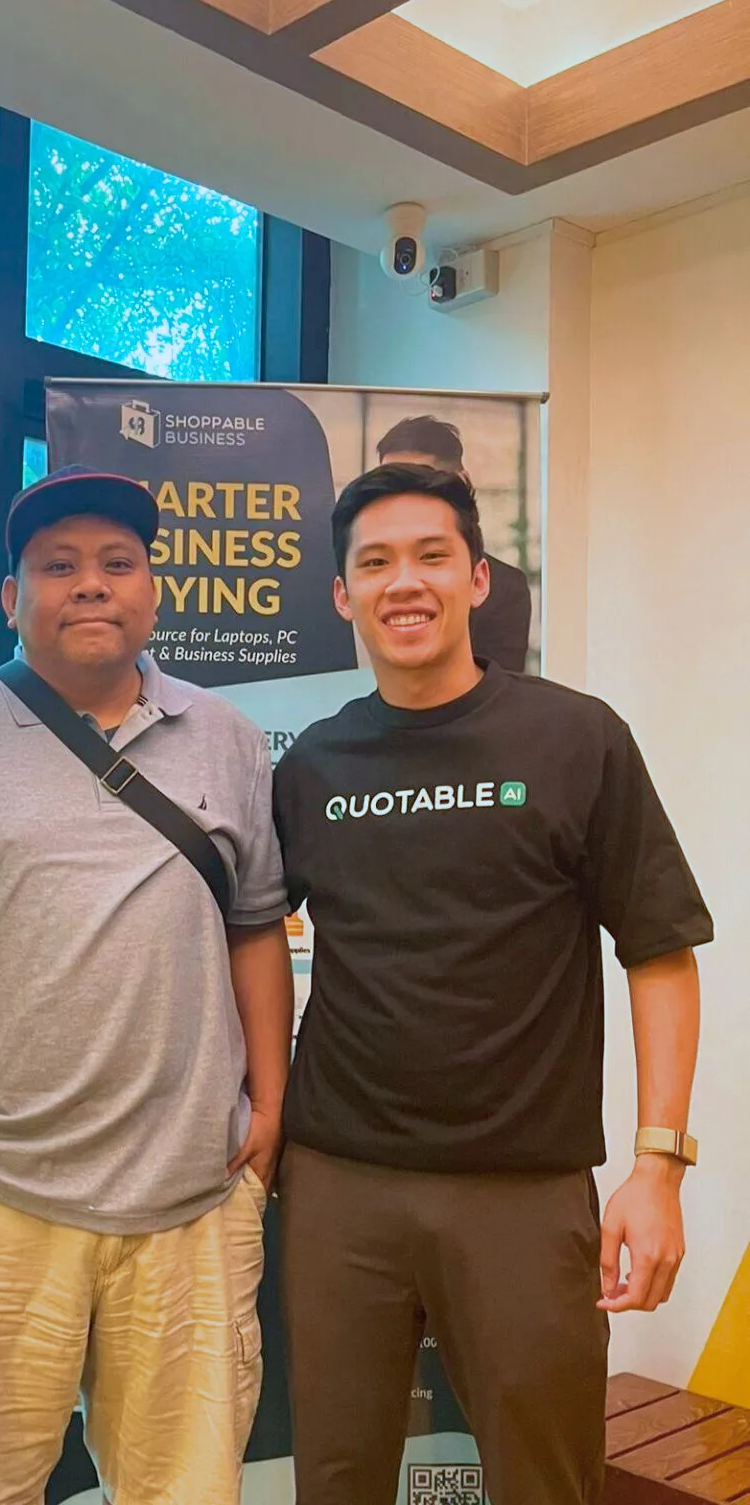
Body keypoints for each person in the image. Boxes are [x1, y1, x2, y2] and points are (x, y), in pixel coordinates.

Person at [0, 466, 294, 1505]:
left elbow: (256, 926)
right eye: (58, 566)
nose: (91, 585)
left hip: (190, 1194)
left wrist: (271, 1105)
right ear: (12, 598)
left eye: (117, 563)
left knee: (185, 1491)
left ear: (154, 589)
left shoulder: (225, 739)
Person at [272, 463, 712, 1505]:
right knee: (335, 1478)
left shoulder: (574, 738)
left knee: (544, 1479)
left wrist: (659, 1171)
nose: (403, 583)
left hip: (523, 1191)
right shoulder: (311, 768)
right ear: (343, 596)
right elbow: (245, 944)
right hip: (340, 1184)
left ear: (476, 577)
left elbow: (659, 951)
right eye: (374, 563)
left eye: (430, 556)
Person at [376, 414, 533, 671]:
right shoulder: (362, 580)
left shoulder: (504, 587)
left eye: (418, 483)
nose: (400, 500)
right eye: (387, 484)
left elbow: (498, 691)